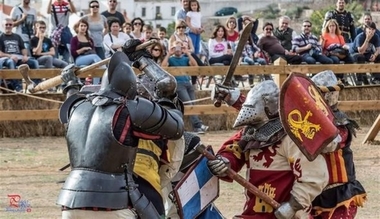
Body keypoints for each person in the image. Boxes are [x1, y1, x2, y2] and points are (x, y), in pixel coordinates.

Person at [57, 38, 185, 219]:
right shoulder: (128, 110)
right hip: (113, 203)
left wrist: (69, 82)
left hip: (70, 203)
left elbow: (71, 99)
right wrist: (144, 62)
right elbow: (176, 123)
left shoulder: (78, 108)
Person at [206, 80, 341, 218]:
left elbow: (314, 176)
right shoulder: (251, 131)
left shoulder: (292, 137)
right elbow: (233, 149)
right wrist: (225, 161)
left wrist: (293, 206)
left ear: (268, 109)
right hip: (254, 212)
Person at [311, 70, 367, 219]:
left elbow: (328, 145)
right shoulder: (311, 122)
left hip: (339, 190)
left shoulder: (341, 122)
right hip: (316, 190)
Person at [162, 41, 209, 134]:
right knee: (189, 104)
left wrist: (187, 52)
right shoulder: (170, 59)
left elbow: (195, 65)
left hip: (188, 82)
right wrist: (168, 54)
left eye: (180, 48)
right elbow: (163, 67)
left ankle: (197, 126)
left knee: (193, 104)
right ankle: (198, 125)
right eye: (176, 48)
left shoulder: (186, 58)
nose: (178, 50)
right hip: (178, 84)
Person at [0, 18, 39, 92]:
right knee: (11, 62)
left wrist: (25, 56)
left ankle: (37, 84)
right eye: (6, 24)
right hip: (7, 58)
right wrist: (10, 56)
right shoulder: (1, 37)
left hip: (19, 57)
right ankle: (17, 86)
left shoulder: (17, 36)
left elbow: (23, 49)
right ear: (3, 26)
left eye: (10, 24)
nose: (8, 26)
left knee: (34, 62)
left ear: (13, 25)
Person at [320, 19, 353, 84]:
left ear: (336, 27)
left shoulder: (340, 36)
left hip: (339, 52)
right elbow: (321, 48)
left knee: (350, 59)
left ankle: (344, 76)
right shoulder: (324, 35)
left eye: (333, 26)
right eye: (330, 26)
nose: (332, 28)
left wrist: (345, 47)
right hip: (329, 53)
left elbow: (343, 45)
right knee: (335, 60)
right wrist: (322, 41)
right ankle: (338, 78)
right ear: (328, 27)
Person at [70, 19, 103, 84]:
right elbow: (73, 53)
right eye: (81, 26)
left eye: (85, 26)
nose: (83, 27)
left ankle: (95, 86)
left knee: (96, 66)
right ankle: (104, 69)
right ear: (77, 27)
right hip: (79, 59)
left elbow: (93, 51)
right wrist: (83, 49)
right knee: (95, 57)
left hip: (90, 59)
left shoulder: (90, 39)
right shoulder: (74, 39)